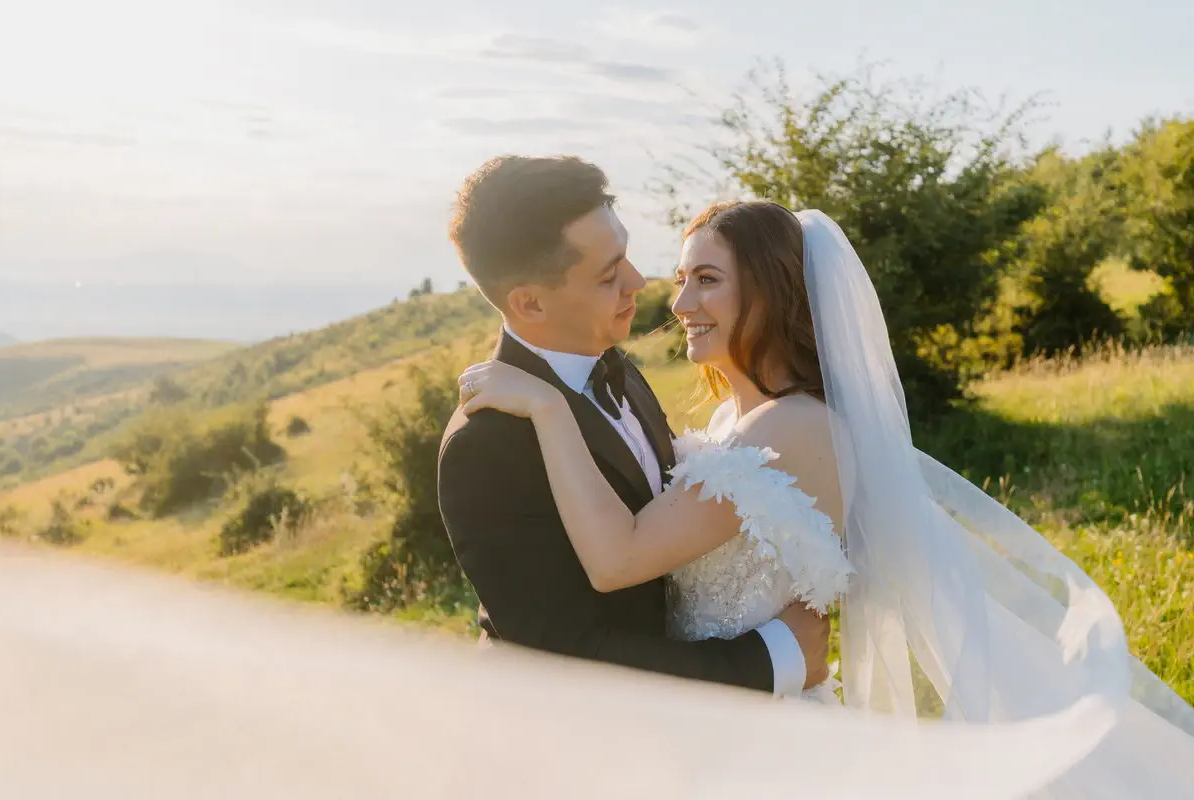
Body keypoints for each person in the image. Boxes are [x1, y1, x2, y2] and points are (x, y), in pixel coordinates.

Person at [459, 197, 1194, 796]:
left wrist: (549, 410)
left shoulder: (791, 428)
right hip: (705, 728)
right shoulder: (739, 421)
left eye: (707, 279)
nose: (679, 301)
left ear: (772, 291)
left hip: (755, 735)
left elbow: (619, 559)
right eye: (683, 278)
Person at [437, 156, 829, 700]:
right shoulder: (485, 445)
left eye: (625, 255)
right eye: (608, 274)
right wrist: (772, 660)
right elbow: (560, 653)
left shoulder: (623, 374)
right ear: (530, 302)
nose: (638, 282)